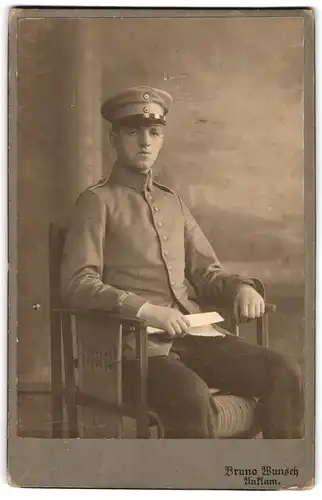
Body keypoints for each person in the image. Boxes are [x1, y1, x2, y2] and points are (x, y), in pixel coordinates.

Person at [60, 86, 303, 438]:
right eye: (133, 132)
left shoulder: (172, 203)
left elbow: (207, 273)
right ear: (114, 138)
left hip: (195, 339)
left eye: (154, 133)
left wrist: (243, 287)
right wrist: (146, 310)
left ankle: (280, 483)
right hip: (131, 352)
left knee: (282, 371)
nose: (145, 142)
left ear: (161, 139)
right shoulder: (96, 202)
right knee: (190, 396)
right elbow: (77, 283)